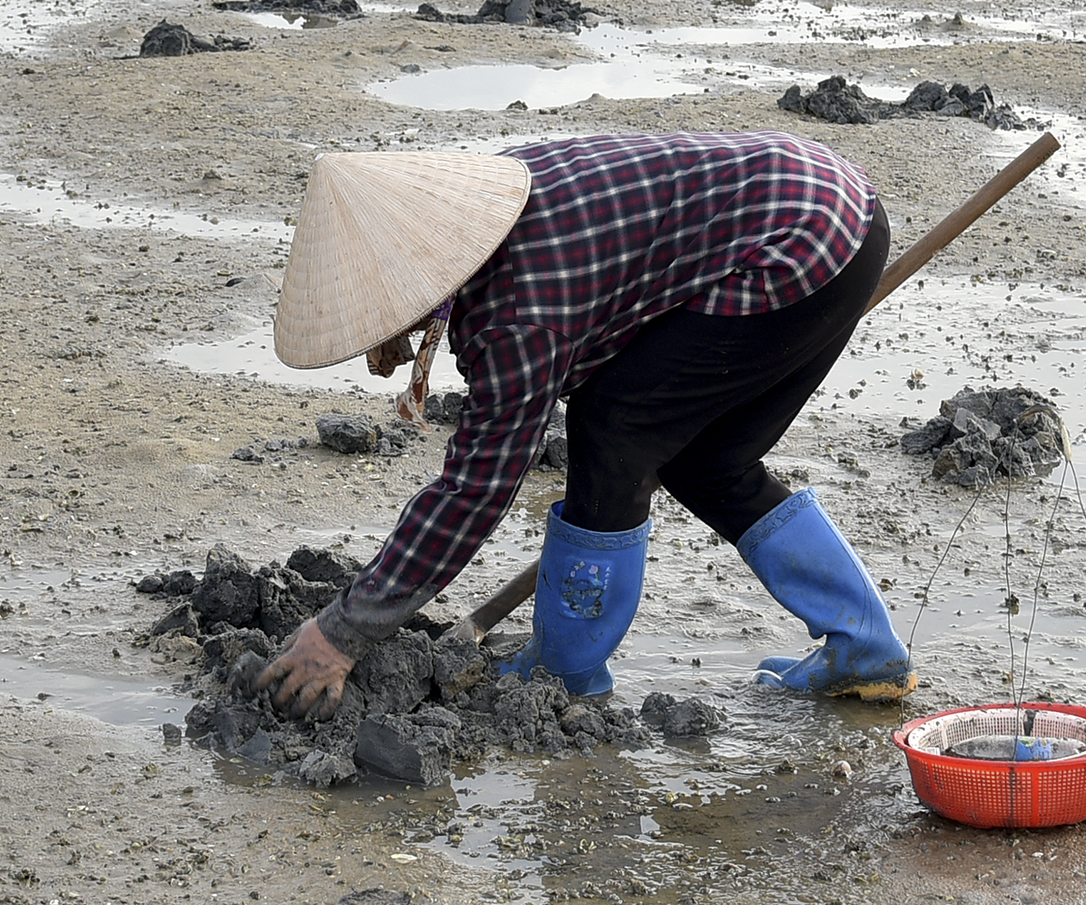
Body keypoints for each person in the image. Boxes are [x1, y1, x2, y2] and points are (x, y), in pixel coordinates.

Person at [257, 132, 914, 719]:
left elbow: (477, 489)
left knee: (613, 431)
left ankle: (562, 676)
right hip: (839, 211)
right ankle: (866, 648)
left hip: (794, 250)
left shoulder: (517, 316)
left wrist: (345, 629)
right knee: (709, 463)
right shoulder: (500, 189)